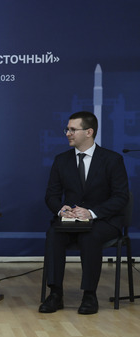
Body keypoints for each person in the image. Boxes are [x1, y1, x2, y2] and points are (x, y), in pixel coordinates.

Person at [40, 111, 129, 315]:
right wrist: (61, 209)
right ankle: (55, 294)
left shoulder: (112, 160)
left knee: (90, 236)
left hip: (103, 221)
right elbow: (51, 195)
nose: (68, 133)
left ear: (89, 132)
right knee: (53, 234)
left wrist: (91, 212)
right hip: (71, 220)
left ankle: (89, 294)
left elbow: (121, 197)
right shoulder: (61, 160)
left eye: (73, 130)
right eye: (67, 129)